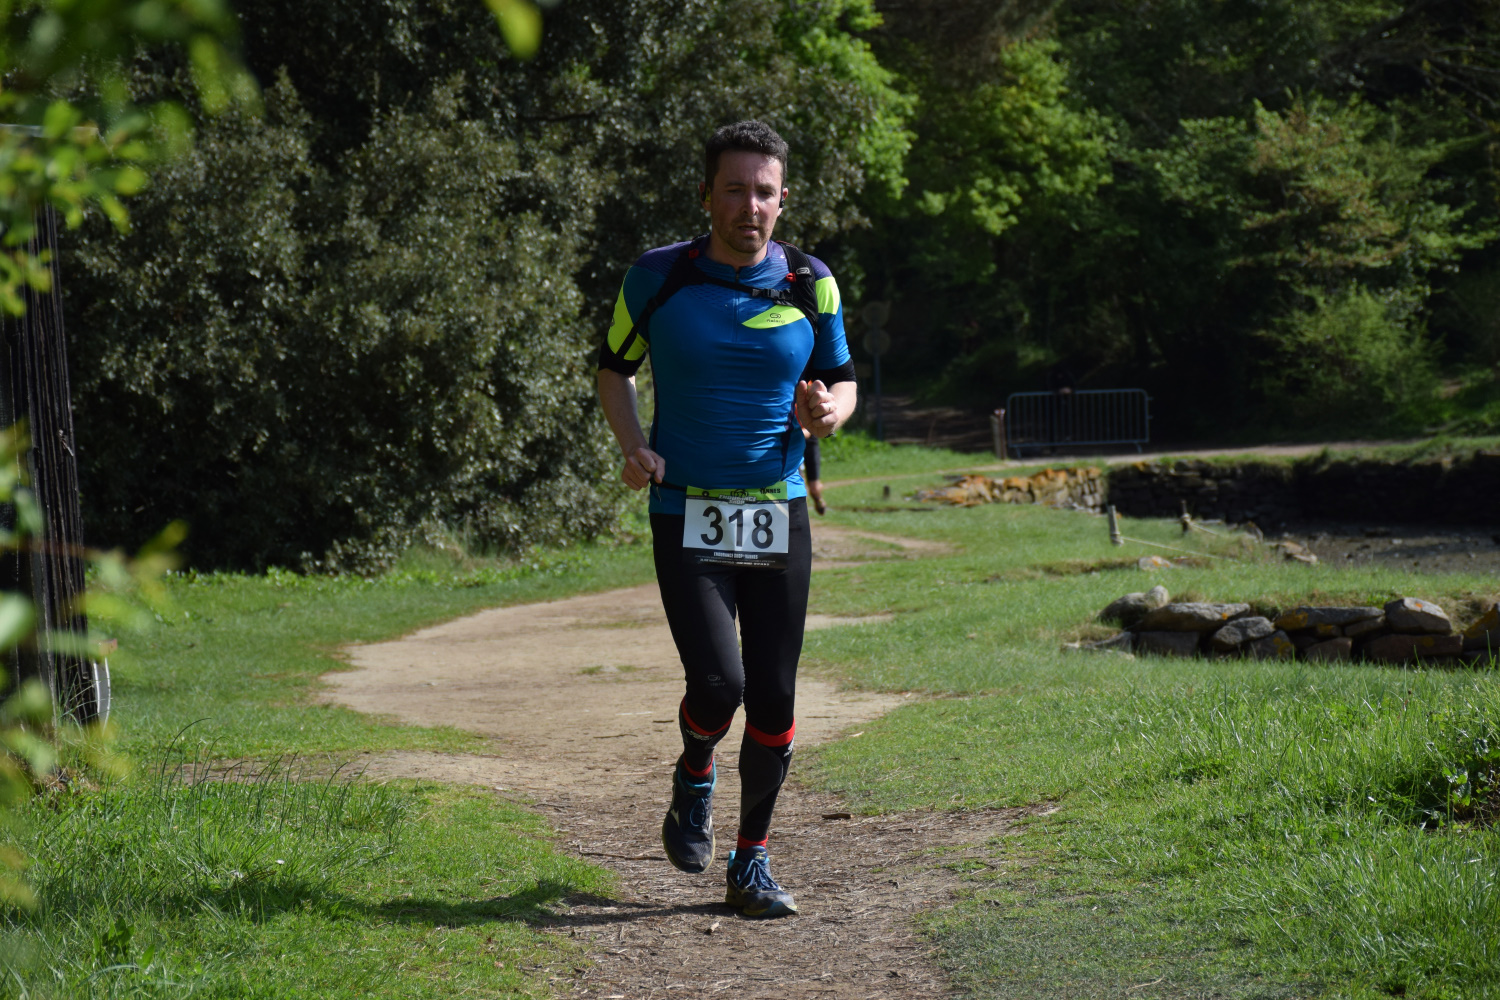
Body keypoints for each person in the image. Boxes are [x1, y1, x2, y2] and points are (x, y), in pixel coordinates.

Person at [595, 120, 857, 918]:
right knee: (718, 685)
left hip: (777, 510)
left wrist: (830, 413)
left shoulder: (810, 281)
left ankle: (752, 862)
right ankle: (694, 769)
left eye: (764, 192)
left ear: (783, 200)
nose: (750, 206)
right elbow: (614, 369)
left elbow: (841, 380)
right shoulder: (658, 277)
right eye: (735, 189)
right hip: (686, 510)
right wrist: (633, 446)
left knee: (773, 698)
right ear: (707, 194)